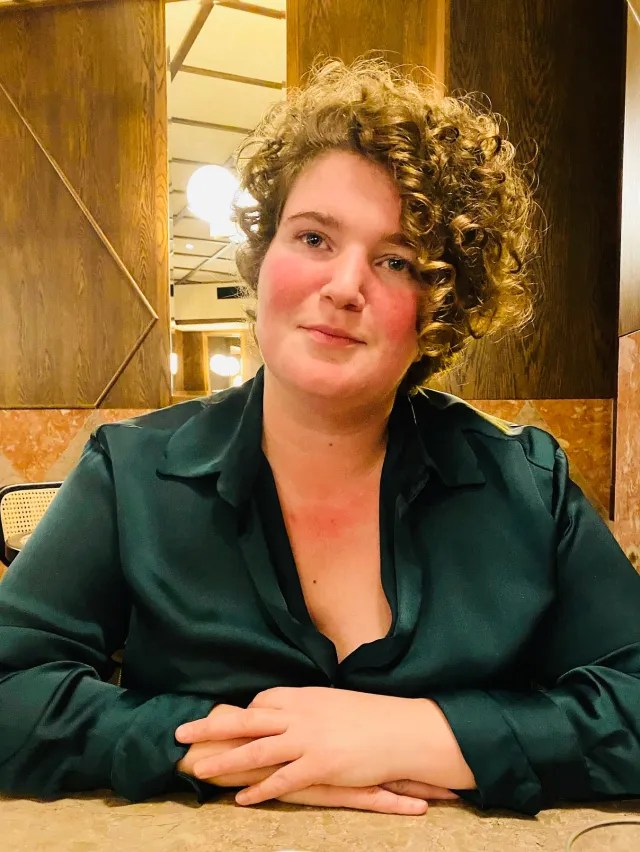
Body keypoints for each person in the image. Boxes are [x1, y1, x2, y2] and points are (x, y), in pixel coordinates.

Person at [0, 57, 639, 818]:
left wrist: (426, 734)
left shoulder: (530, 482)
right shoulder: (131, 468)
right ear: (263, 259)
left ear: (440, 308)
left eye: (396, 260)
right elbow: (11, 689)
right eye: (312, 238)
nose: (343, 285)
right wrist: (217, 745)